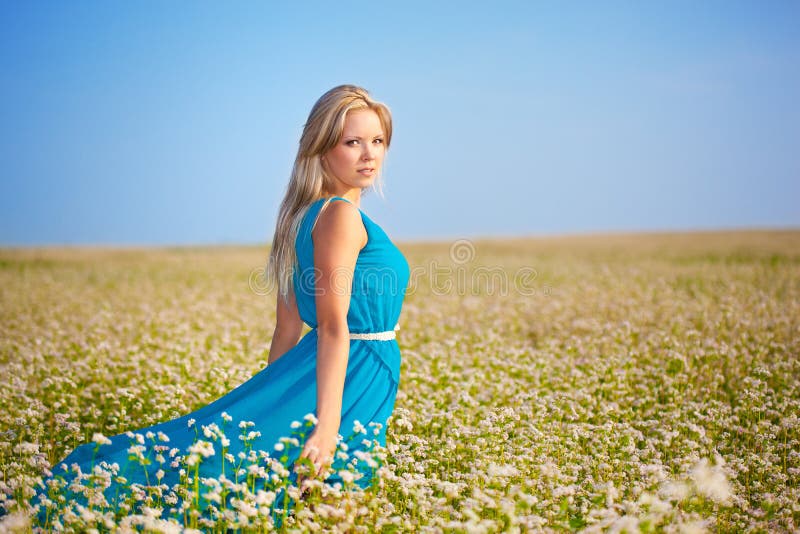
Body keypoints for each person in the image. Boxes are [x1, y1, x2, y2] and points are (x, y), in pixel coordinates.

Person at [25, 84, 410, 529]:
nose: (369, 154)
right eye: (352, 142)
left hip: (332, 374)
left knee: (281, 491)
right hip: (353, 374)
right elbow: (331, 327)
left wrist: (271, 406)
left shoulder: (301, 216)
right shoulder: (340, 216)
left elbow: (286, 331)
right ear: (322, 149)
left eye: (377, 140)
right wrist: (325, 426)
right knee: (334, 508)